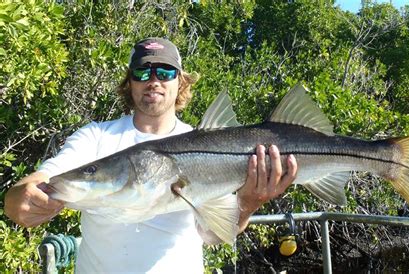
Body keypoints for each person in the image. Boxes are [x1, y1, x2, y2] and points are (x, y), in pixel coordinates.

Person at [4, 37, 297, 273]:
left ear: (180, 82)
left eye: (165, 72)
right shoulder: (96, 137)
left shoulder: (206, 138)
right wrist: (21, 201)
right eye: (143, 71)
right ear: (129, 82)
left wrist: (248, 202)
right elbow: (29, 190)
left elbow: (211, 236)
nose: (153, 80)